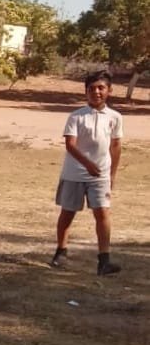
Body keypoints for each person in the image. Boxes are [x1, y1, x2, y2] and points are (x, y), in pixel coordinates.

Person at [50, 70, 123, 275]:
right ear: (86, 92)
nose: (96, 92)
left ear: (109, 91)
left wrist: (112, 175)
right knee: (68, 212)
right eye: (91, 89)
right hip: (74, 174)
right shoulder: (77, 116)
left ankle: (104, 260)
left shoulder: (115, 117)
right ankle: (60, 252)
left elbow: (116, 146)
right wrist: (87, 164)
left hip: (100, 175)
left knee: (102, 213)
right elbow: (70, 145)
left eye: (101, 88)